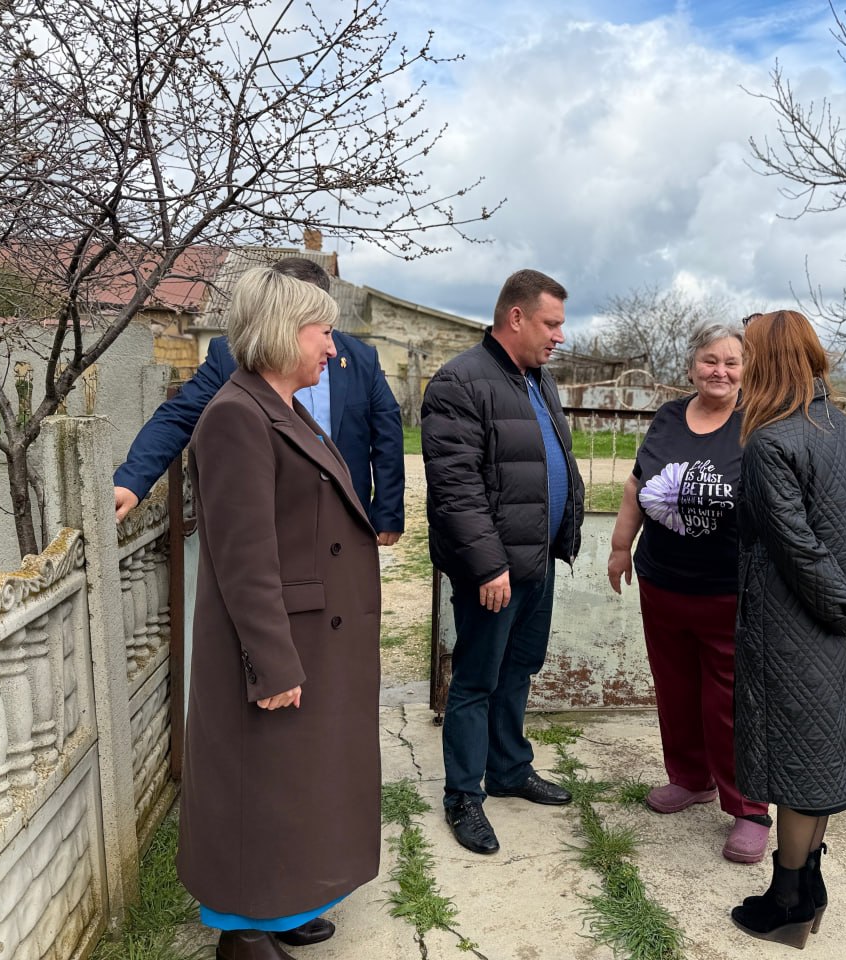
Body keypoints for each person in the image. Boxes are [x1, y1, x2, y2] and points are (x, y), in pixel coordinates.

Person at [175, 267, 382, 960]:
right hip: (274, 643)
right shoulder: (235, 415)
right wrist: (271, 663)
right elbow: (244, 559)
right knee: (257, 789)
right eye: (323, 332)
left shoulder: (278, 406)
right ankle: (242, 932)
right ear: (284, 332)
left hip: (309, 634)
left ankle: (285, 901)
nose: (332, 347)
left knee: (295, 788)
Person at [729, 310, 846, 948]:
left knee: (798, 762)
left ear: (767, 361)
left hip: (791, 628)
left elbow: (795, 549)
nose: (742, 366)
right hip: (836, 624)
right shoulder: (845, 433)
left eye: (747, 354)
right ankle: (809, 885)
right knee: (818, 755)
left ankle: (788, 899)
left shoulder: (771, 442)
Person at [421, 268, 584, 855]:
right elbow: (456, 488)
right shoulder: (459, 382)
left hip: (536, 561)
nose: (559, 336)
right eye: (551, 323)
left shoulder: (538, 378)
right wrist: (490, 566)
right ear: (516, 317)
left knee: (519, 669)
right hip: (494, 571)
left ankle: (510, 769)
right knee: (475, 680)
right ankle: (464, 796)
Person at [606, 321, 773, 864]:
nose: (719, 371)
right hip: (662, 582)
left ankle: (749, 808)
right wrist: (620, 546)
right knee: (676, 689)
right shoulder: (669, 416)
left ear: (747, 370)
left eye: (731, 362)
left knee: (730, 702)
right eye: (709, 360)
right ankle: (690, 778)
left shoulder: (757, 423)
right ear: (692, 365)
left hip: (729, 591)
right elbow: (636, 483)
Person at [112, 257, 404, 545]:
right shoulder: (230, 356)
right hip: (269, 519)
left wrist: (388, 512)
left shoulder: (360, 359)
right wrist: (131, 482)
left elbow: (387, 435)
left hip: (343, 516)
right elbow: (178, 418)